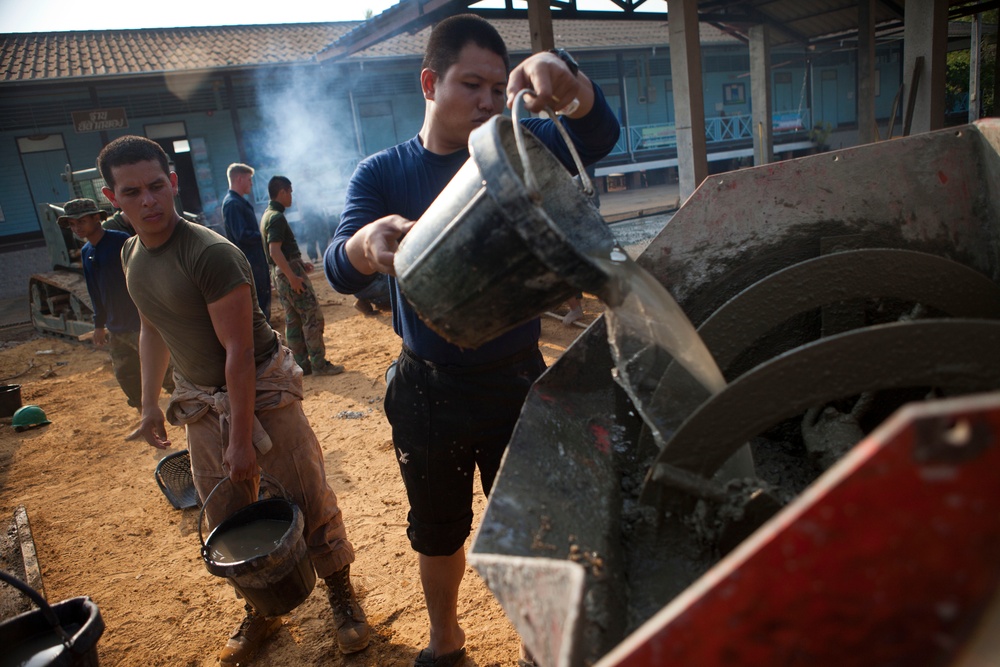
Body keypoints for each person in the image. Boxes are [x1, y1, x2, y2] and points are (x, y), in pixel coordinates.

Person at [324, 14, 619, 667]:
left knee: (537, 525)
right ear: (430, 81)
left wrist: (568, 79)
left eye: (496, 87)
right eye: (470, 85)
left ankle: (537, 643)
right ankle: (446, 637)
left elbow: (597, 136)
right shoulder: (383, 174)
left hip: (517, 376)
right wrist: (367, 245)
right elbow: (337, 265)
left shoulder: (518, 144)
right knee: (438, 530)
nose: (488, 102)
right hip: (429, 387)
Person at [96, 135, 369, 666]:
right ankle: (260, 608)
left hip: (262, 393)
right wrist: (151, 404)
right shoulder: (131, 253)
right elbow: (151, 330)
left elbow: (240, 351)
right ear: (113, 198)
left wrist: (241, 440)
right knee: (225, 511)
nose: (149, 201)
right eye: (133, 192)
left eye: (157, 186)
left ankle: (341, 594)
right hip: (199, 401)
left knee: (304, 496)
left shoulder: (210, 254)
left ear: (173, 184)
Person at [58, 197, 174, 410]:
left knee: (165, 372)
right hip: (116, 327)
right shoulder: (87, 252)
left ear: (96, 219)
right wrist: (99, 325)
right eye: (72, 224)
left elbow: (146, 275)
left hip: (141, 323)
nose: (76, 228)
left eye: (81, 221)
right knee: (126, 375)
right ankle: (144, 417)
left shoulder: (121, 241)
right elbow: (94, 291)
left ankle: (190, 418)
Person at [261, 176, 344, 376]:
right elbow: (274, 250)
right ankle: (319, 364)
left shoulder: (268, 214)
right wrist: (292, 276)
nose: (292, 196)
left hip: (280, 273)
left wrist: (298, 262)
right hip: (287, 275)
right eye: (290, 192)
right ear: (282, 192)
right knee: (312, 316)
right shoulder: (277, 217)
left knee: (294, 320)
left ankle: (301, 365)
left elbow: (279, 252)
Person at [223, 163, 272, 324]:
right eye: (249, 179)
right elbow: (241, 235)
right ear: (239, 178)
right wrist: (263, 235)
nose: (251, 183)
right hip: (250, 261)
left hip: (255, 260)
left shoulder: (238, 202)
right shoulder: (233, 203)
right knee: (258, 302)